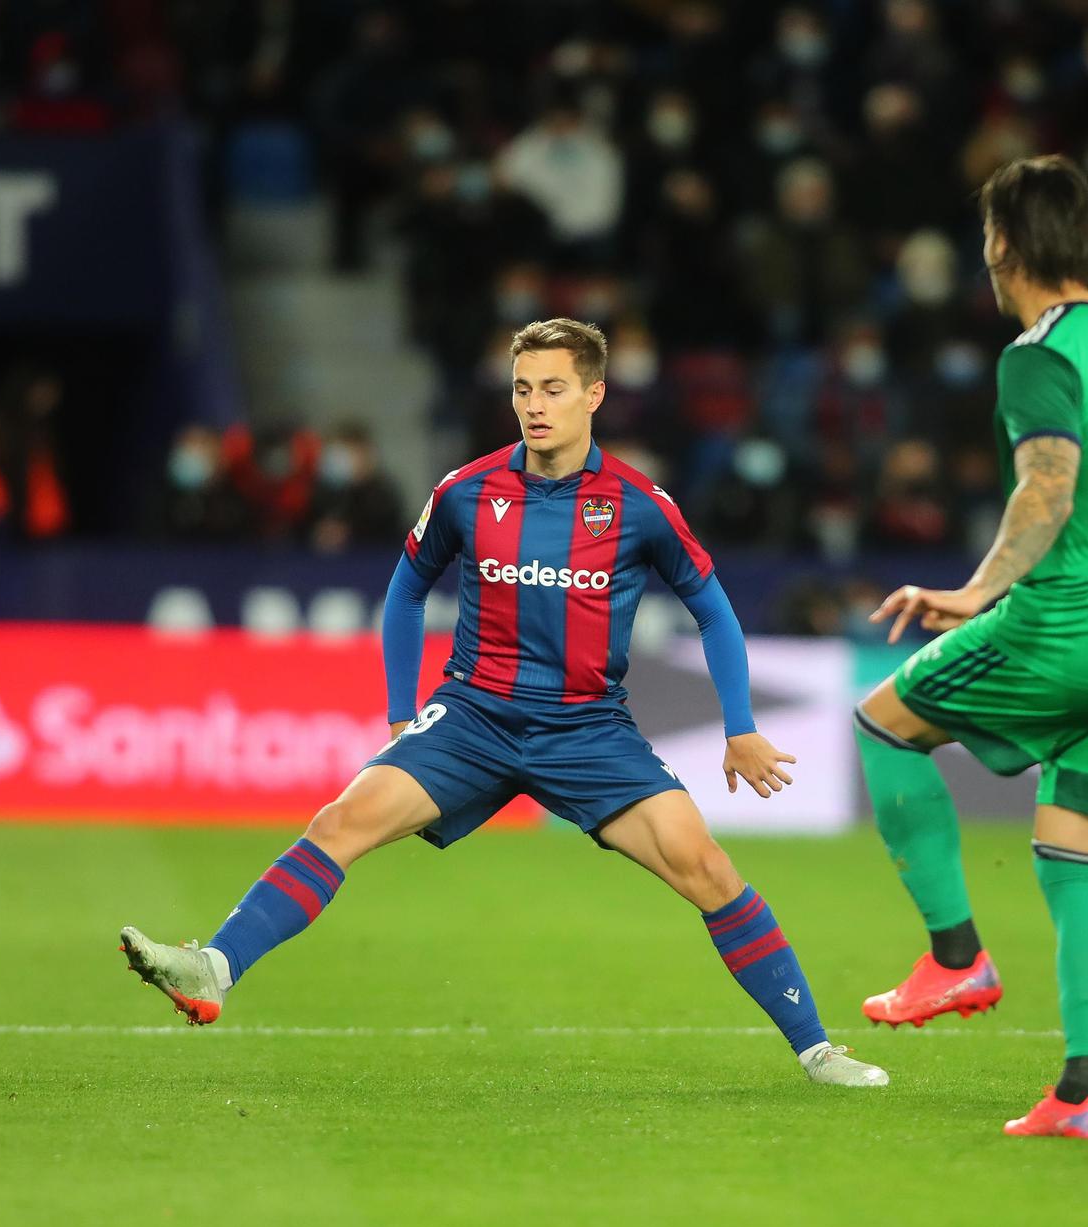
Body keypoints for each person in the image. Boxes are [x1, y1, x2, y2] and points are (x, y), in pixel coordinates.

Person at [121, 318, 888, 1088]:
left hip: (587, 728)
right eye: (523, 388)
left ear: (594, 393)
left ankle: (817, 1049)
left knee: (708, 868)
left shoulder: (638, 504)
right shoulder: (465, 491)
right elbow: (404, 590)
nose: (534, 404)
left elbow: (714, 609)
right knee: (340, 821)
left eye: (553, 388)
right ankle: (215, 965)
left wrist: (741, 727)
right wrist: (400, 710)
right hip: (475, 715)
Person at [849, 156, 1088, 1139]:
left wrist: (977, 590)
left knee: (883, 724)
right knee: (1072, 860)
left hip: (1065, 625)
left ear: (1003, 247)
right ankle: (1078, 1094)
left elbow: (1047, 486)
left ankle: (953, 955)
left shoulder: (1038, 355)